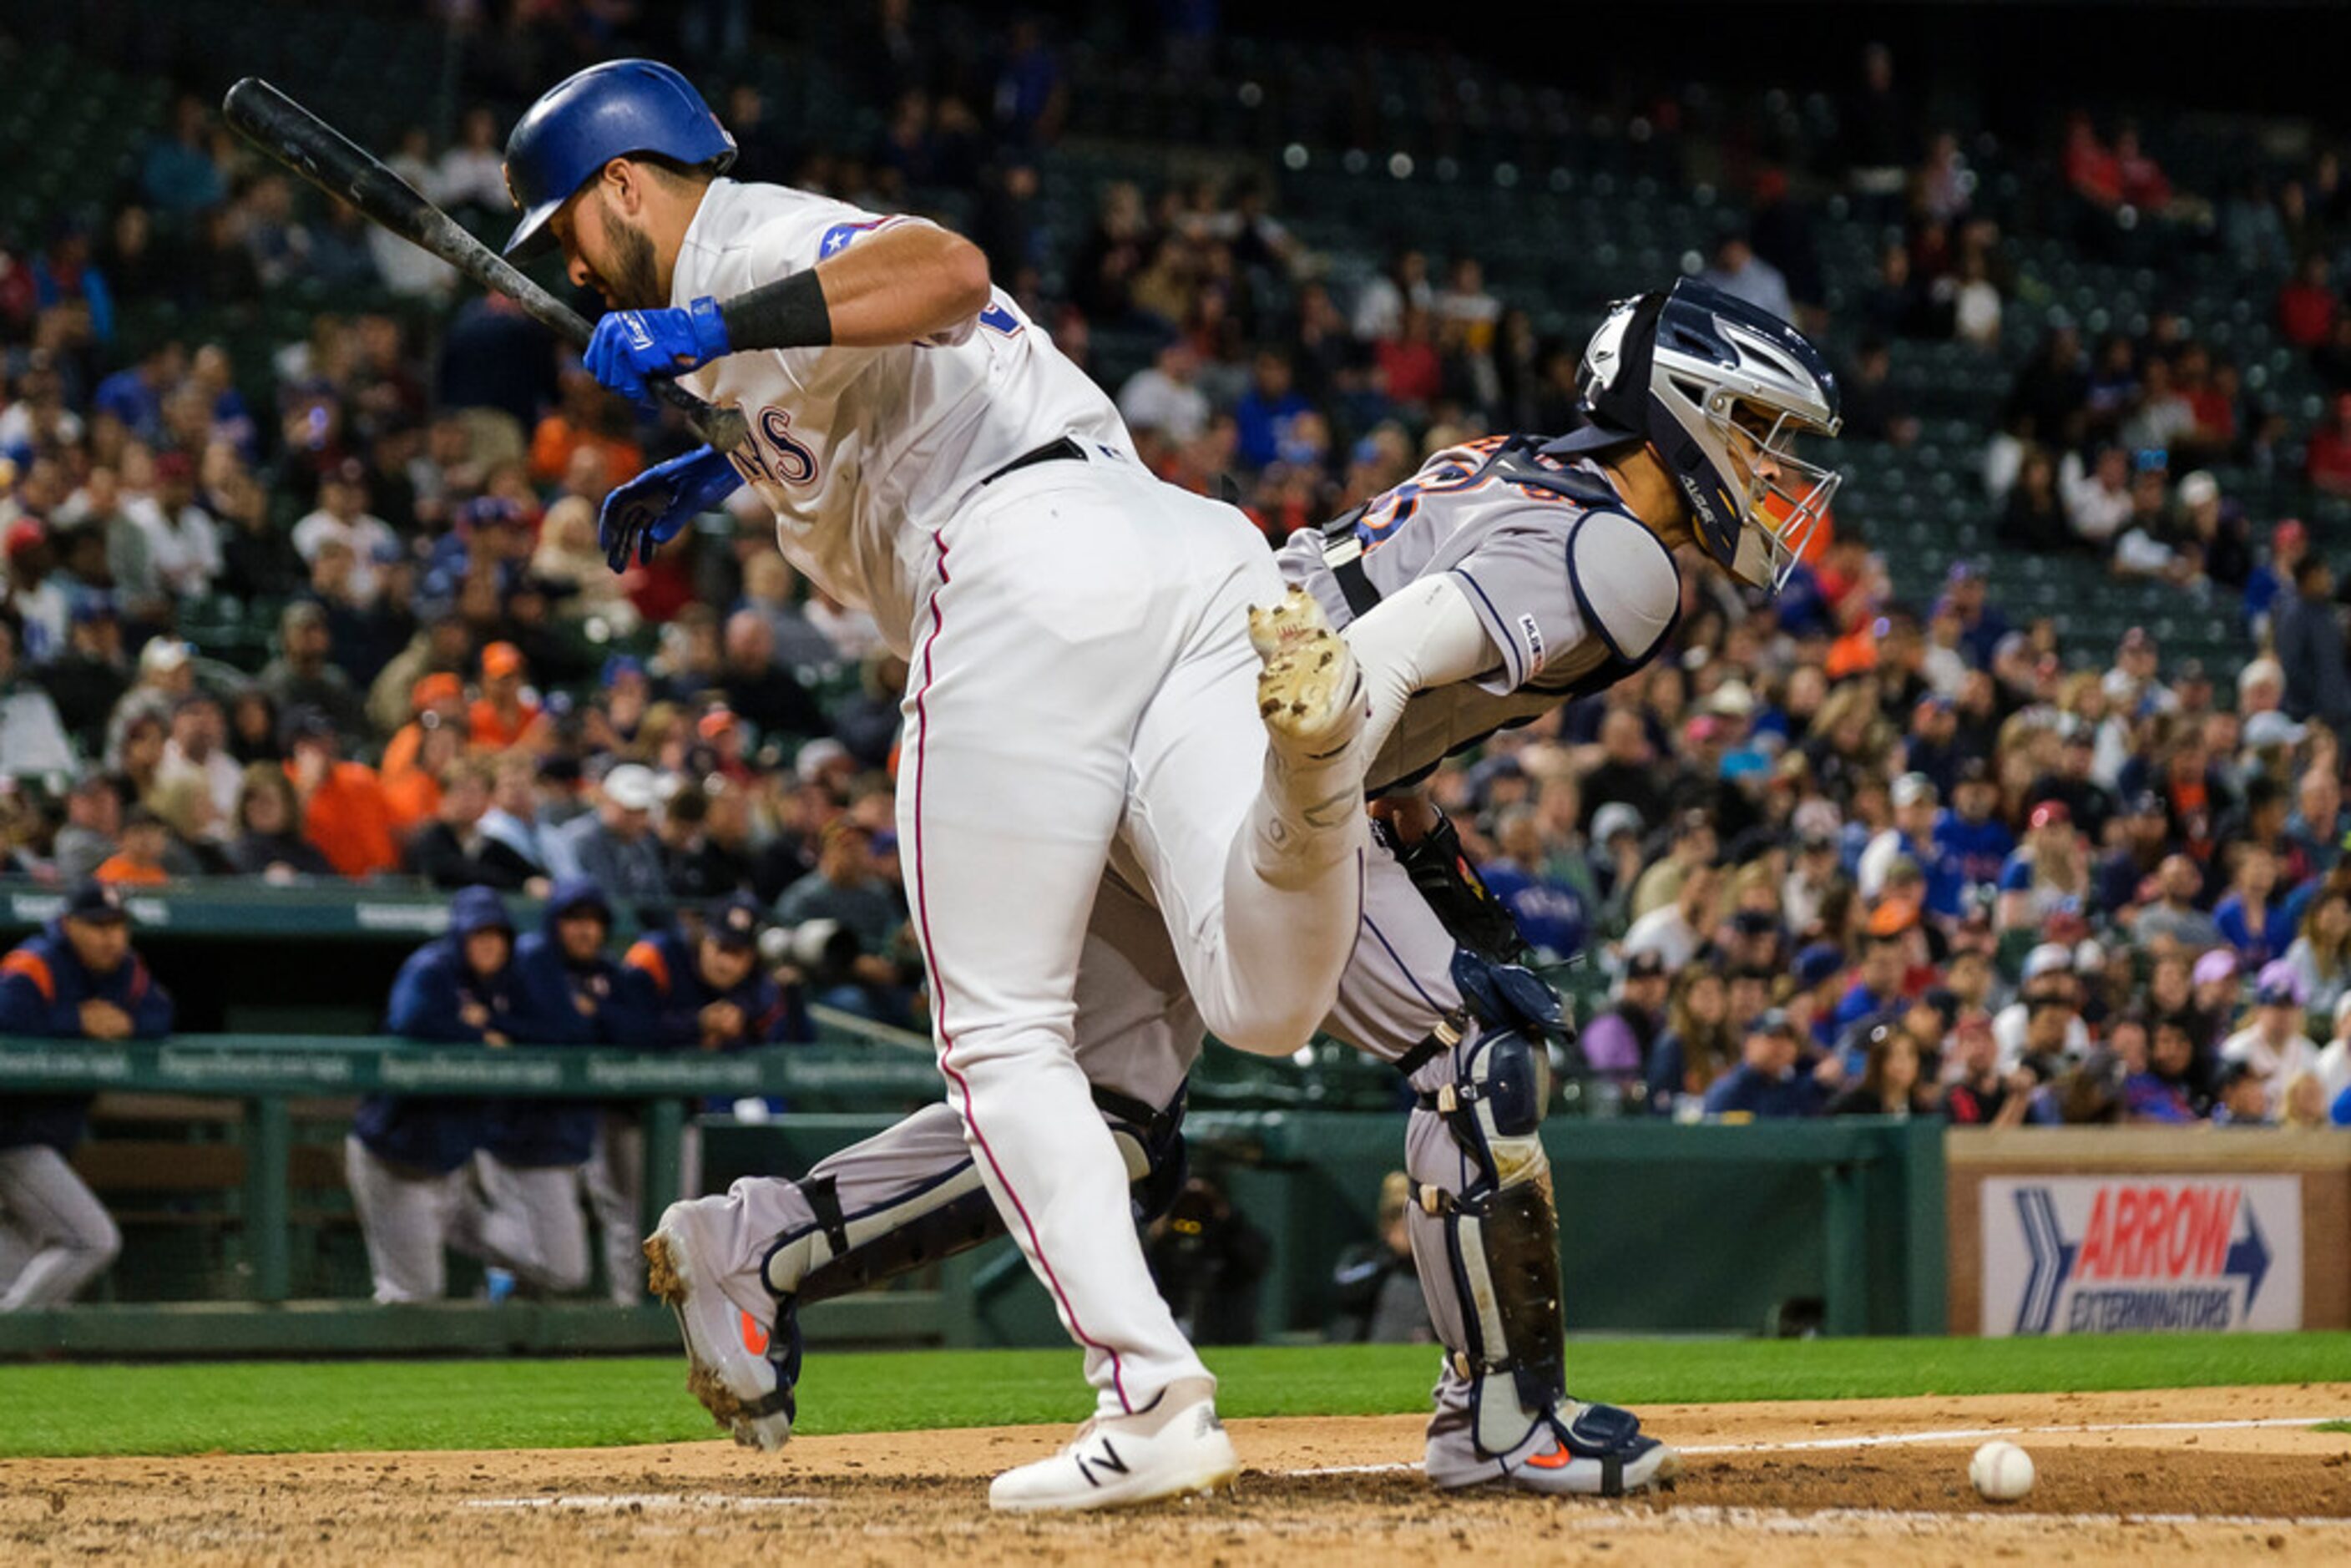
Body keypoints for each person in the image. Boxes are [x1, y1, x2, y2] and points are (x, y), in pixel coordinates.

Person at [634, 273, 1841, 1504]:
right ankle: (1503, 1419)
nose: (1769, 468)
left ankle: (757, 1245)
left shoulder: (1507, 465)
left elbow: (1371, 648)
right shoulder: (1624, 553)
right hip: (1236, 739)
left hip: (1134, 708)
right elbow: (1365, 660)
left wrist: (1405, 821)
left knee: (1105, 1120)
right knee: (1475, 1044)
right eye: (1751, 426)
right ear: (1676, 409)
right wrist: (1318, 789)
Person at [521, 54, 1387, 1508]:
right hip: (1185, 554)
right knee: (1252, 1003)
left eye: (568, 231)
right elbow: (879, 392)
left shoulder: (744, 239)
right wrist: (721, 455)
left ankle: (1151, 1395)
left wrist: (704, 322)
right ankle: (1315, 775)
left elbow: (939, 271)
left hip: (1024, 571)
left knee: (998, 1036)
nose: (568, 264)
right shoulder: (730, 313)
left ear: (621, 184)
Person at [0, 883, 172, 1311]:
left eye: (118, 926)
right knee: (92, 1240)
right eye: (98, 926)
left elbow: (160, 1011)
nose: (111, 937)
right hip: (10, 1135)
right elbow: (9, 1017)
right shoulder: (34, 962)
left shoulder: (124, 970)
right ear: (69, 924)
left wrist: (128, 1025)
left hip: (45, 1137)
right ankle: (11, 1336)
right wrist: (73, 1020)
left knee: (20, 1266)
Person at [347, 887, 517, 1303]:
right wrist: (477, 1032)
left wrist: (491, 1022)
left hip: (452, 1167)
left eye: (497, 935)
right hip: (397, 1159)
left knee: (531, 1253)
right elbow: (413, 1019)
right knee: (416, 1293)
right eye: (479, 934)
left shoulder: (505, 983)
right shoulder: (431, 968)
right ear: (460, 936)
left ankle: (497, 1300)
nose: (489, 944)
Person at [476, 879, 642, 1299]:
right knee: (562, 1268)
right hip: (515, 1131)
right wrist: (591, 1023)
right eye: (574, 920)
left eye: (594, 921)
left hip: (562, 1134)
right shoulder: (534, 958)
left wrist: (596, 1013)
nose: (586, 931)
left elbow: (639, 1031)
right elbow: (562, 1029)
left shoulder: (604, 970)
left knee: (551, 1267)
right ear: (556, 922)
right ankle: (455, 1222)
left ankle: (501, 1304)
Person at [1327, 1171, 1431, 1343]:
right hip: (1374, 1342)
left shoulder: (1435, 1264)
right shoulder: (1368, 1256)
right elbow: (1344, 1289)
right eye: (1395, 1220)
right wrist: (1390, 1258)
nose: (1403, 1230)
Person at [2219, 967, 2319, 1117]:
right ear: (2259, 1009)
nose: (2283, 1015)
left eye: (2290, 1006)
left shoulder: (2310, 1053)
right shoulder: (2236, 1050)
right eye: (2276, 1006)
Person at [1701, 1011, 1826, 1119]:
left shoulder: (1796, 1089)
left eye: (1788, 1038)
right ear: (1750, 1042)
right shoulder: (1732, 1089)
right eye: (1772, 1036)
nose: (1781, 1045)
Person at [1825, 1020, 1934, 1117]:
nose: (1904, 1063)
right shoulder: (1852, 1107)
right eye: (1894, 1055)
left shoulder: (1921, 1109)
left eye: (1910, 1055)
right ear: (1878, 1062)